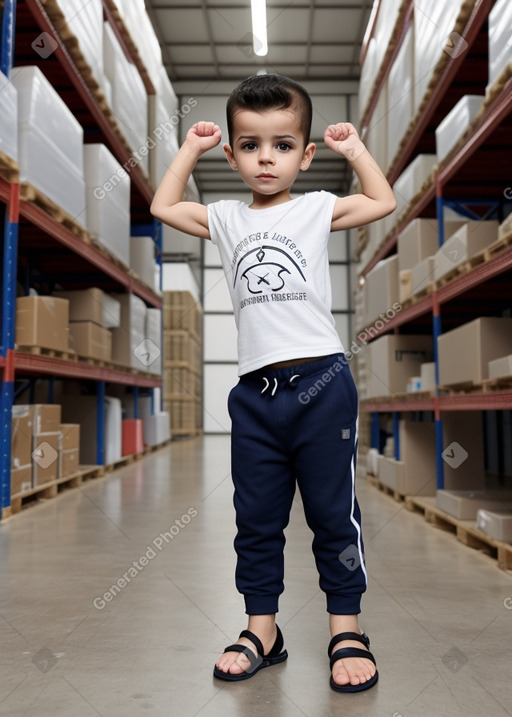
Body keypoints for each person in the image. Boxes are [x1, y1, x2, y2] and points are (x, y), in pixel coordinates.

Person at [151, 73, 396, 693]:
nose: (267, 157)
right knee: (255, 517)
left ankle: (348, 628)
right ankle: (263, 628)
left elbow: (382, 201)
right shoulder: (228, 218)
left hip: (322, 381)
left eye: (283, 145)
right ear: (231, 154)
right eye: (250, 145)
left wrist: (356, 151)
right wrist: (189, 149)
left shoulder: (315, 208)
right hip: (255, 396)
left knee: (331, 513)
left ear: (305, 154)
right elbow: (162, 205)